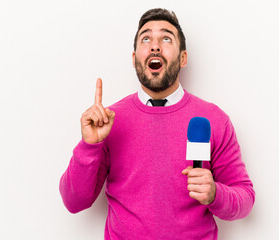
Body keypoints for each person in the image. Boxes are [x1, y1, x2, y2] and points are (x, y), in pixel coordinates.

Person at [59, 8, 255, 240]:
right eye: (146, 38)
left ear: (183, 57)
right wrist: (89, 145)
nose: (155, 46)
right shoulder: (107, 121)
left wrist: (215, 194)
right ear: (134, 59)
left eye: (166, 38)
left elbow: (245, 198)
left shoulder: (213, 119)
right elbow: (74, 202)